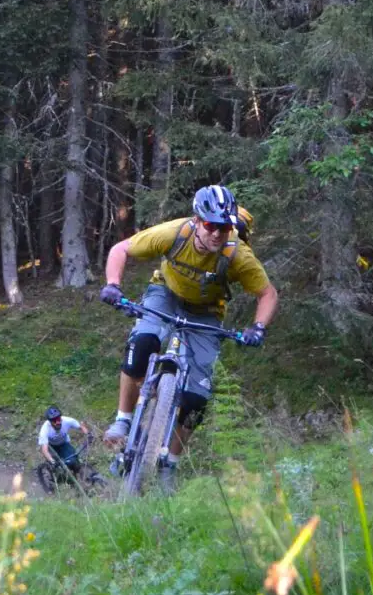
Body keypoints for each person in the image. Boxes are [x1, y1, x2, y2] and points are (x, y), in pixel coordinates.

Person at [99, 184, 278, 492]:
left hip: (206, 313)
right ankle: (124, 420)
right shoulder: (173, 234)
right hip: (165, 294)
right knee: (142, 344)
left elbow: (267, 293)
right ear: (197, 221)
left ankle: (170, 462)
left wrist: (258, 328)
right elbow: (121, 249)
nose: (217, 233)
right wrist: (113, 285)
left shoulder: (237, 254)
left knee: (196, 399)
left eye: (225, 227)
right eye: (210, 225)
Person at [38, 406, 90, 473]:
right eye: (54, 421)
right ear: (50, 422)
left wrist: (88, 434)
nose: (57, 422)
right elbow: (45, 450)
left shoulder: (67, 420)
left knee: (73, 459)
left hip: (63, 443)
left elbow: (81, 427)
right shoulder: (45, 430)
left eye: (58, 419)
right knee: (58, 467)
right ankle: (55, 478)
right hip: (51, 447)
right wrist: (52, 461)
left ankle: (75, 473)